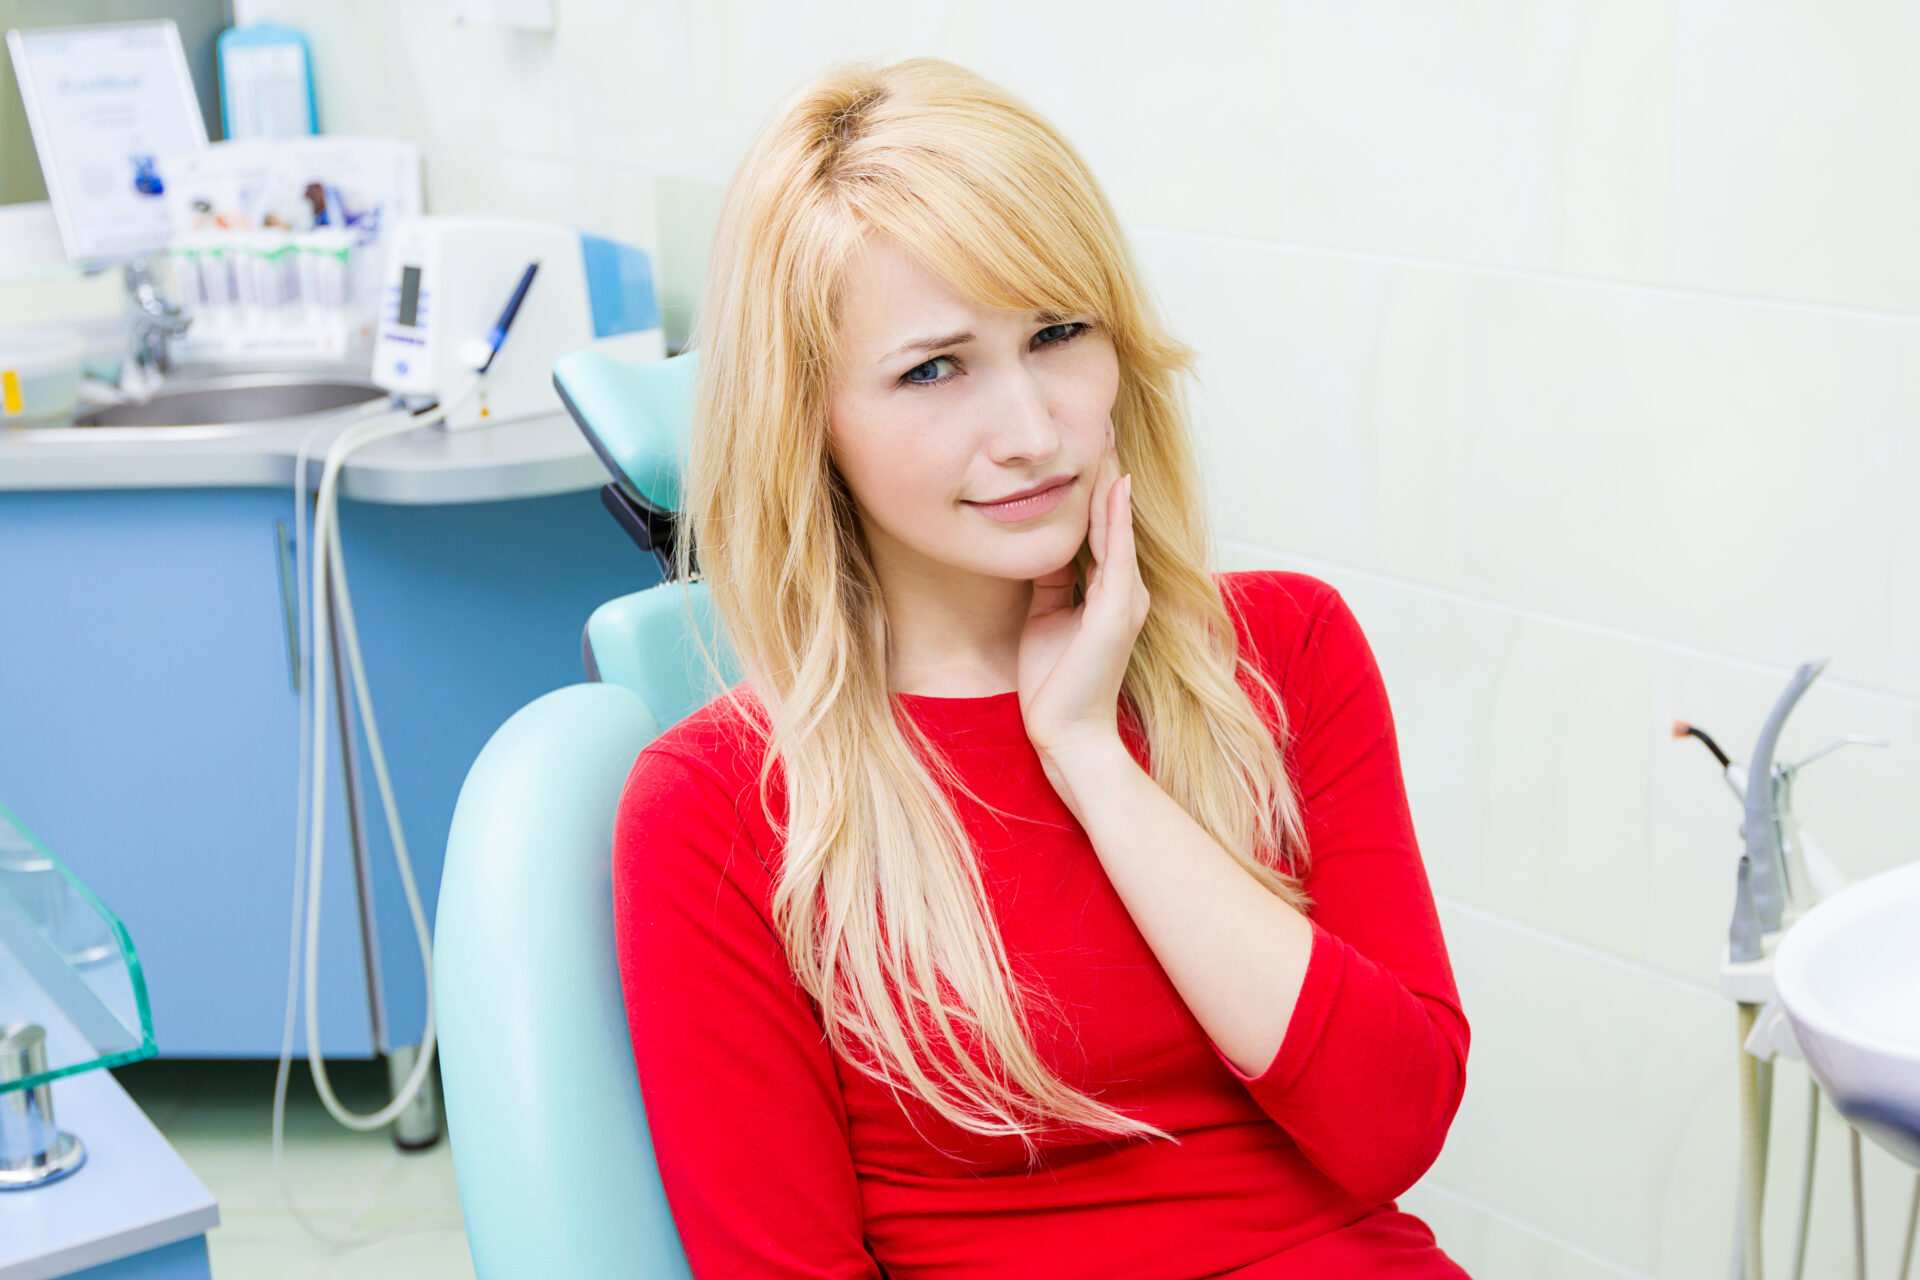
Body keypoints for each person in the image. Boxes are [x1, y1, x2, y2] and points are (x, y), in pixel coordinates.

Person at [612, 56, 1470, 1279]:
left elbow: (1394, 1126)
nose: (1033, 432)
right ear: (809, 419)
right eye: (934, 368)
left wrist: (1090, 758)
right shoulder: (721, 811)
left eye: (1059, 332)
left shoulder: (1285, 653)